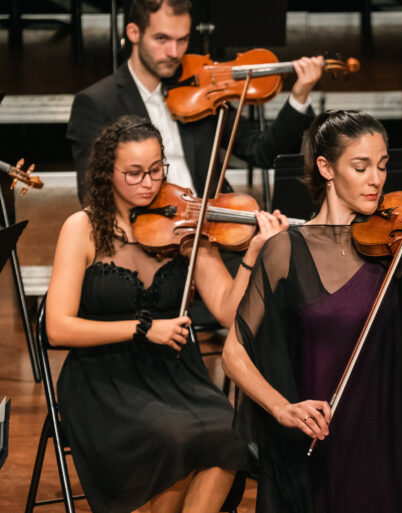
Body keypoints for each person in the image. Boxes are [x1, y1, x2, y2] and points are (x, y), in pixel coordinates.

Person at [221, 110, 402, 513]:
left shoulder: (397, 248)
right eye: (361, 166)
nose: (376, 179)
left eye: (382, 166)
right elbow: (233, 353)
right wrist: (282, 408)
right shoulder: (285, 250)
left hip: (389, 438)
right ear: (326, 168)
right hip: (318, 441)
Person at [46, 115, 288, 513]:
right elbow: (58, 328)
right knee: (175, 438)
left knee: (227, 435)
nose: (148, 183)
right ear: (107, 173)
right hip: (104, 378)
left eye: (156, 170)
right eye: (134, 173)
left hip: (174, 373)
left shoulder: (184, 226)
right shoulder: (82, 229)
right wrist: (144, 329)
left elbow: (227, 311)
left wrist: (254, 253)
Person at [67, 0, 325, 204]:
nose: (174, 52)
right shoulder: (96, 103)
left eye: (182, 40)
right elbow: (92, 196)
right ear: (134, 33)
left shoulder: (202, 88)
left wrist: (299, 95)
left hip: (212, 229)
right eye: (162, 39)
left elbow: (262, 151)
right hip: (145, 237)